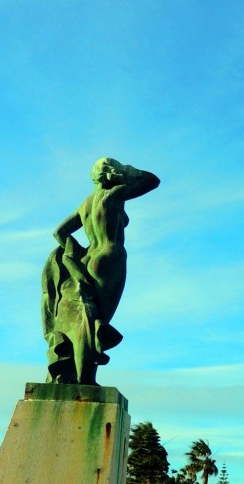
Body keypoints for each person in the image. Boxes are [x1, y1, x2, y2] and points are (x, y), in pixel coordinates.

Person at [41, 158, 160, 384]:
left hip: (90, 259)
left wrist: (75, 252)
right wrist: (126, 172)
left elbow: (60, 233)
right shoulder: (114, 194)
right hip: (111, 259)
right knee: (96, 324)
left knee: (88, 321)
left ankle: (78, 377)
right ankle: (86, 380)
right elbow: (152, 180)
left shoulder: (86, 204)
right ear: (111, 173)